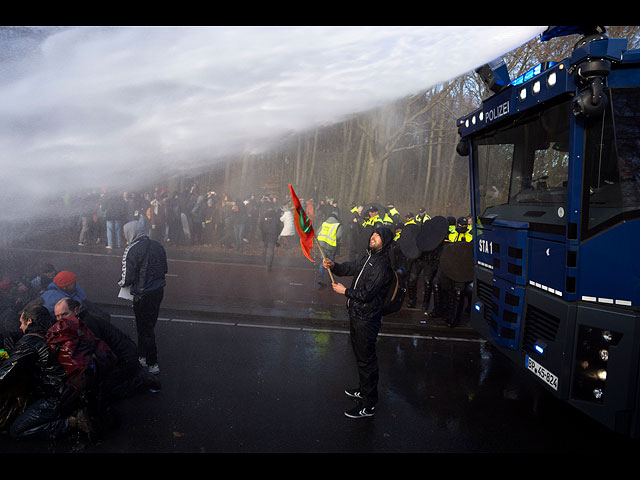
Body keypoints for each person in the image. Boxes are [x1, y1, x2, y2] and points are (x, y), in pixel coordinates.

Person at [322, 225, 394, 419]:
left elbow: (366, 294)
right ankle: (363, 390)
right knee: (361, 358)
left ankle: (369, 405)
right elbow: (351, 267)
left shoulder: (382, 265)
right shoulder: (368, 258)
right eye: (373, 234)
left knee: (367, 361)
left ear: (385, 241)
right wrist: (334, 266)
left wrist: (344, 291)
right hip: (357, 314)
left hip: (367, 318)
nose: (373, 237)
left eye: (378, 236)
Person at [0, 304, 91, 439]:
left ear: (29, 321)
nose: (20, 327)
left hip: (56, 397)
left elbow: (5, 374)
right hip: (76, 389)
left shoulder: (29, 340)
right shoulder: (54, 332)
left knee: (17, 430)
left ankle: (72, 422)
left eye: (21, 323)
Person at [54, 298, 161, 400]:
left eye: (64, 314)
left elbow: (96, 351)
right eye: (57, 316)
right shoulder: (80, 320)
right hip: (123, 353)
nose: (60, 320)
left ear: (76, 310)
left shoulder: (87, 324)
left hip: (125, 357)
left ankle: (142, 380)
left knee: (106, 390)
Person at [119, 221, 168, 375]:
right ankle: (142, 355)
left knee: (144, 328)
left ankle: (151, 362)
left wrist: (121, 284)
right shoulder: (158, 246)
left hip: (142, 293)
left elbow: (127, 277)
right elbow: (164, 268)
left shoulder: (131, 249)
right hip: (158, 291)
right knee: (149, 325)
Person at [316, 210, 342, 287]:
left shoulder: (324, 223)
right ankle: (332, 280)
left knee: (323, 261)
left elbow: (317, 233)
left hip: (321, 245)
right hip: (330, 246)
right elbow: (338, 236)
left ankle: (320, 278)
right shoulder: (338, 225)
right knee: (330, 263)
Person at [259, 200, 284, 272]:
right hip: (273, 236)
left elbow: (260, 225)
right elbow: (279, 226)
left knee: (265, 247)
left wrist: (263, 232)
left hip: (265, 235)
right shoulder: (276, 216)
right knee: (271, 250)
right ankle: (269, 265)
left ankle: (263, 261)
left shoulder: (264, 215)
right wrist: (277, 235)